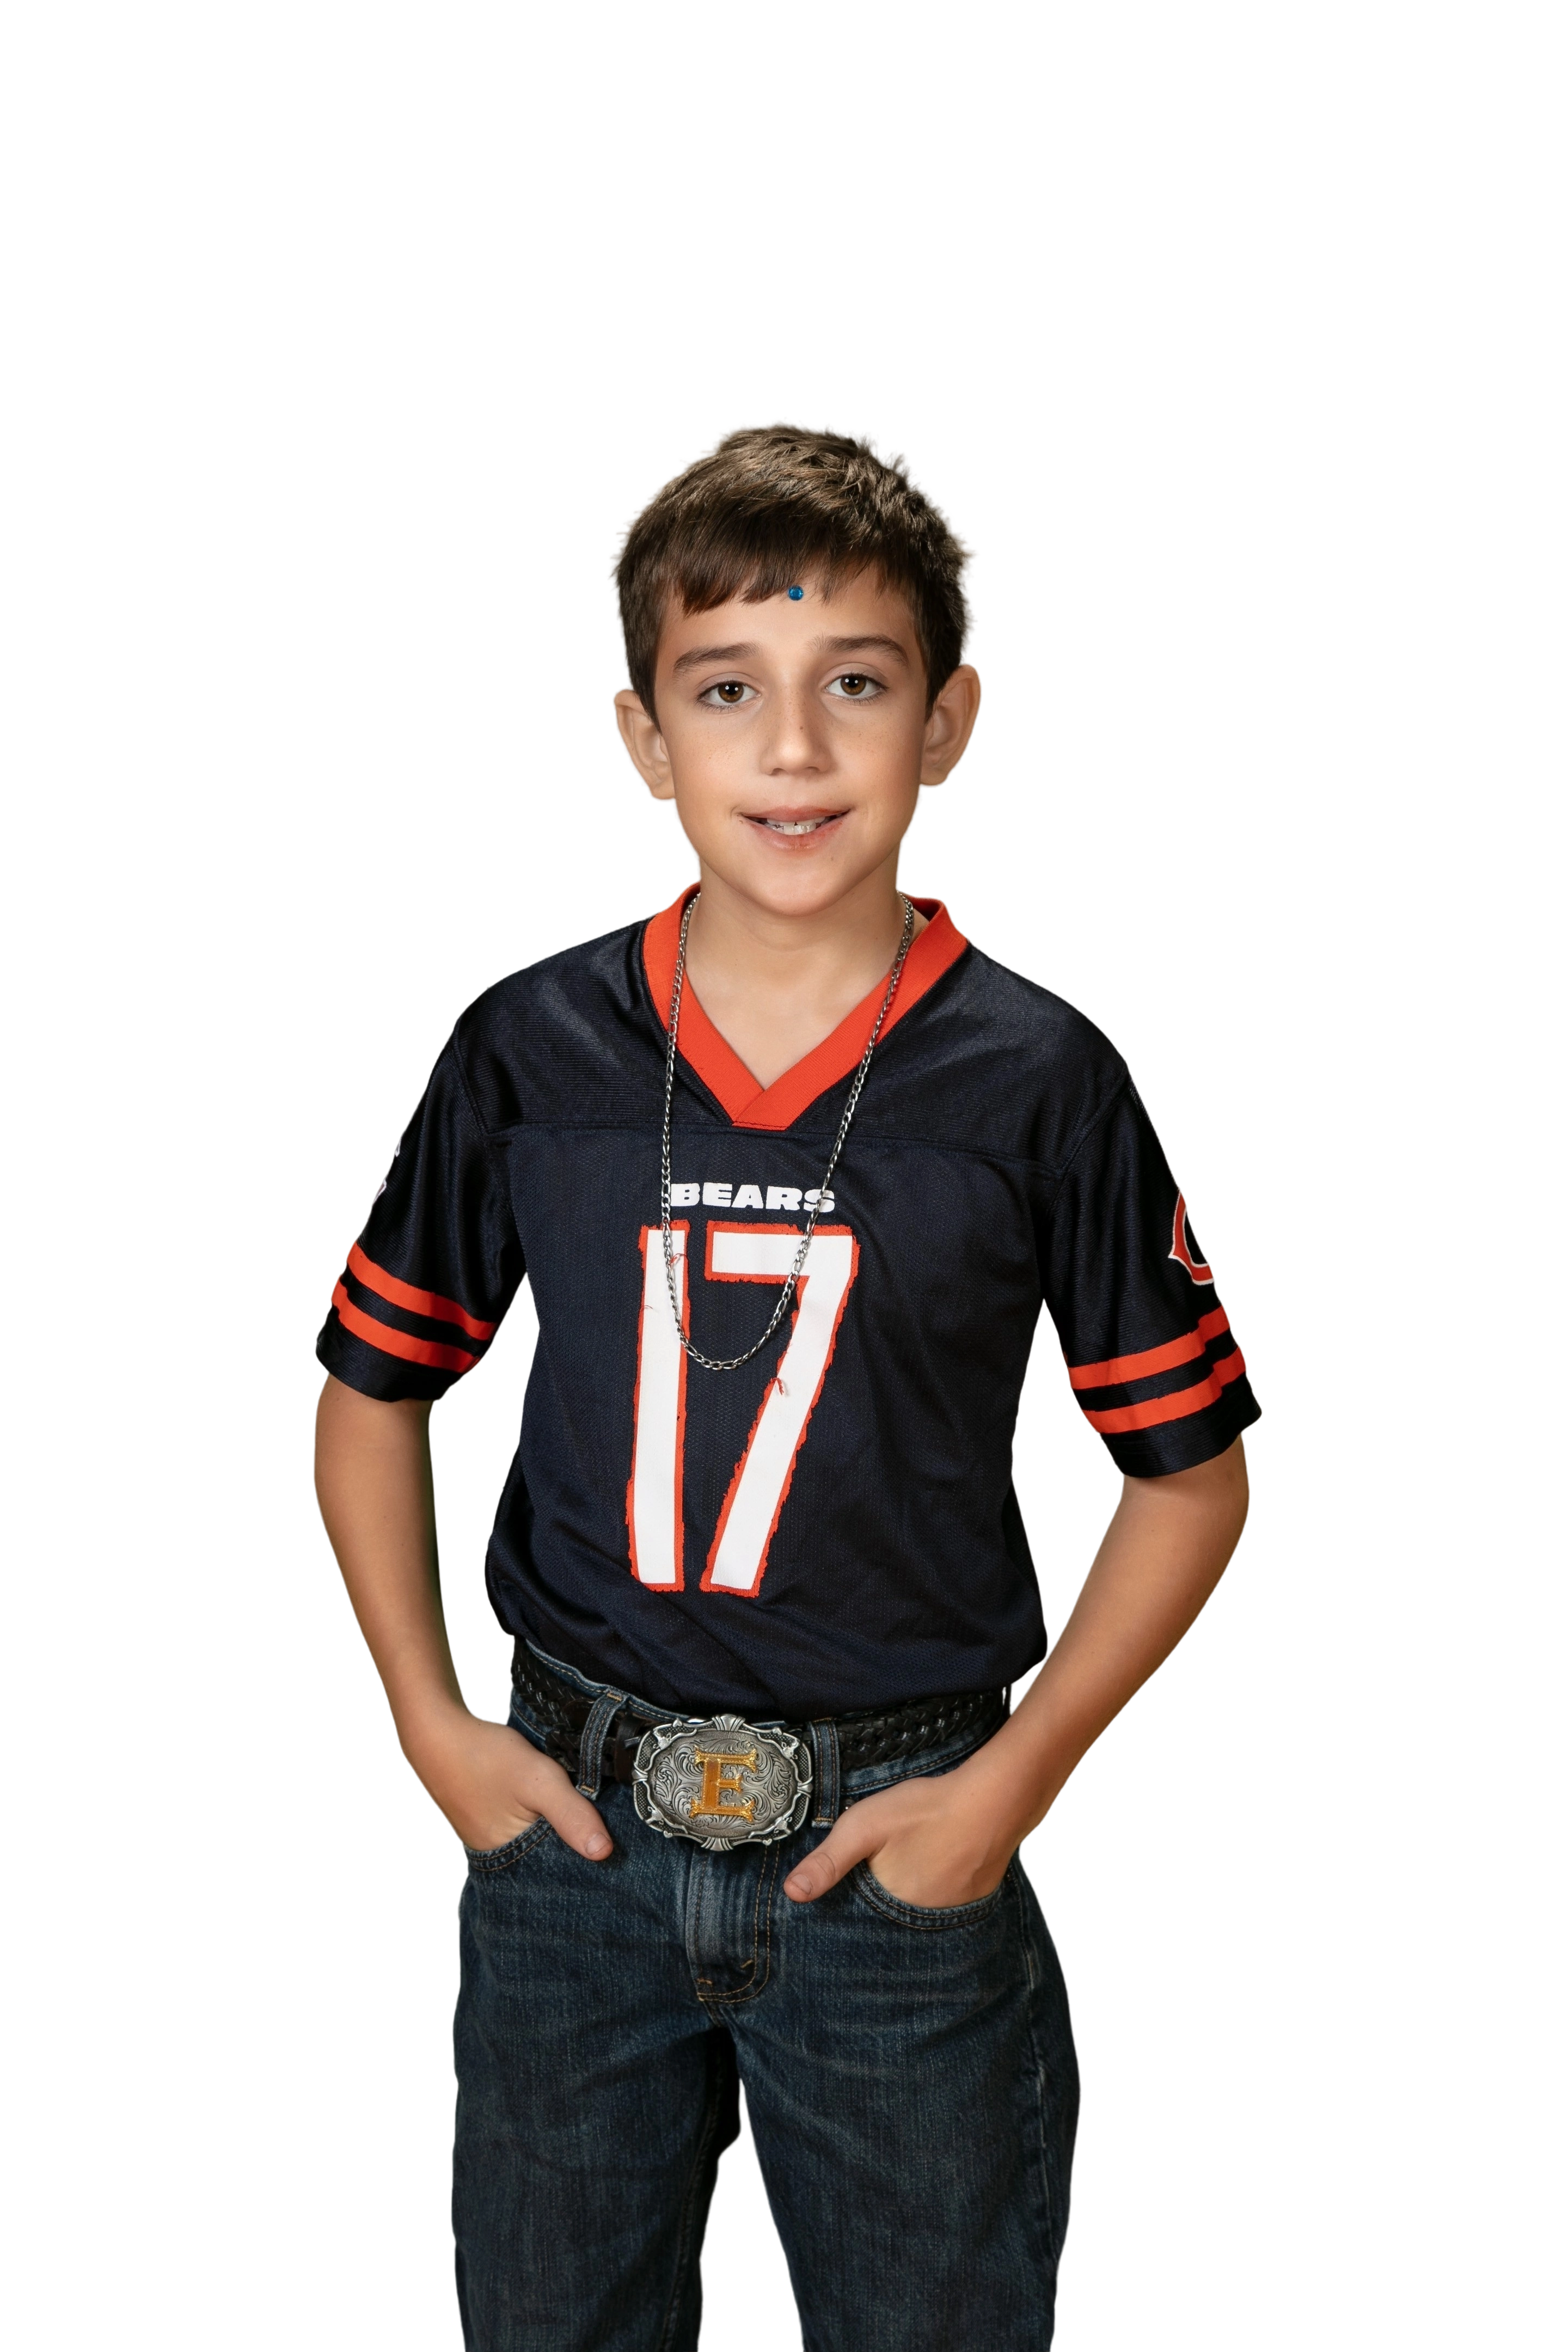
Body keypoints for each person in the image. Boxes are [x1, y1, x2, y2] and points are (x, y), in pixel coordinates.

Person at [310, 415, 1259, 2352]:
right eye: (727, 688)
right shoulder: (530, 1048)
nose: (796, 749)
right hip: (576, 1840)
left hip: (900, 1851)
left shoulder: (1038, 1080)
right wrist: (430, 1721)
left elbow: (1193, 1472)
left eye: (859, 685)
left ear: (951, 721)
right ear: (646, 739)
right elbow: (370, 1396)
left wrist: (1009, 1788)